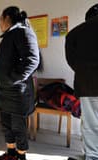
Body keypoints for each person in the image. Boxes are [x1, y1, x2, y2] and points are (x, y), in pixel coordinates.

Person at [0, 6, 40, 160]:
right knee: (6, 126)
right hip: (5, 92)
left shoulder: (23, 32)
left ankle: (21, 156)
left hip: (17, 93)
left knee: (18, 127)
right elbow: (7, 61)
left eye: (0, 19)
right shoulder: (9, 36)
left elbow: (32, 60)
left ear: (7, 18)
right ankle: (11, 153)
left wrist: (10, 78)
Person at [65, 4, 98, 160]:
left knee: (91, 125)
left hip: (88, 85)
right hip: (88, 84)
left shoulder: (75, 33)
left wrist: (84, 71)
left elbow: (72, 61)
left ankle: (92, 156)